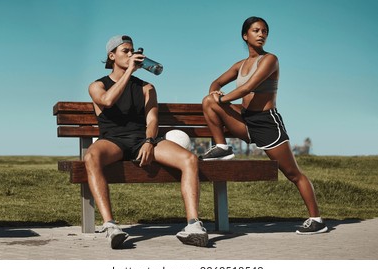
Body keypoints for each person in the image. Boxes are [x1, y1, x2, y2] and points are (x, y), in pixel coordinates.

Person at [200, 17, 328, 235]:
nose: (261, 34)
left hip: (267, 122)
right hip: (246, 119)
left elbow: (247, 87)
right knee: (207, 101)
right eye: (256, 30)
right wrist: (215, 93)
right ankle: (222, 147)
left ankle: (316, 220)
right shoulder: (240, 65)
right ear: (245, 35)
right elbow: (217, 83)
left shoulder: (270, 60)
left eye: (265, 31)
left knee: (292, 173)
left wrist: (222, 100)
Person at [85, 34, 208, 249]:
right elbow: (107, 101)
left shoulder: (146, 87)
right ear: (112, 56)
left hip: (143, 139)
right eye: (125, 51)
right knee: (91, 156)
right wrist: (130, 71)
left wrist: (150, 141)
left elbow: (153, 119)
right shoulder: (97, 85)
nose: (131, 55)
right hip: (113, 141)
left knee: (189, 159)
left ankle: (193, 225)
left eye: (133, 51)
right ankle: (111, 225)